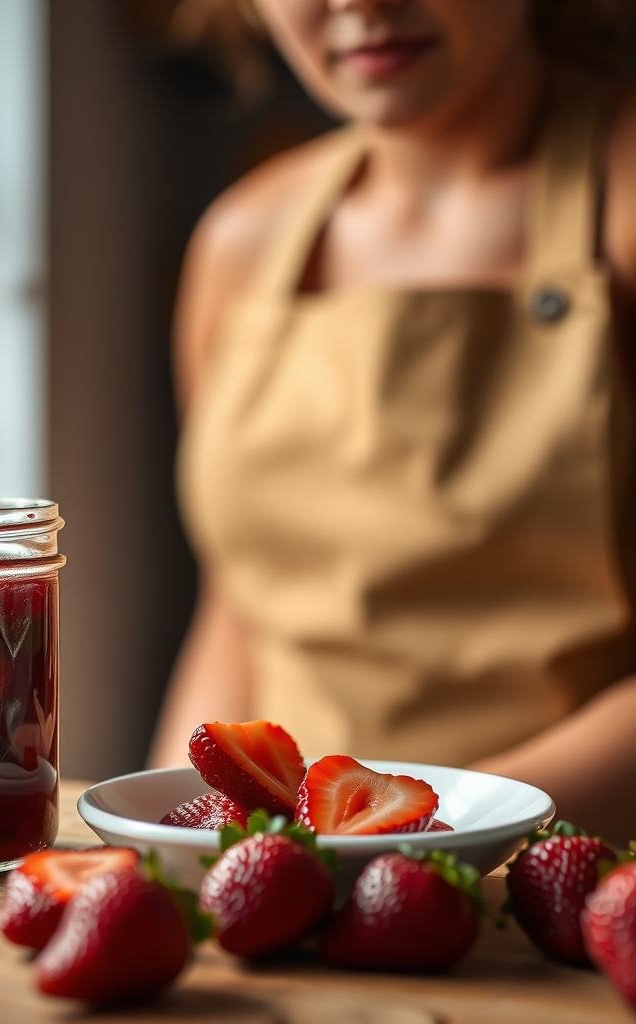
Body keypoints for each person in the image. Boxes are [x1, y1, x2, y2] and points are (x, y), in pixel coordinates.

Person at [148, 0, 636, 843]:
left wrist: (413, 841)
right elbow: (238, 615)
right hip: (293, 876)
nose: (362, 3)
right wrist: (174, 845)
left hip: (564, 872)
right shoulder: (240, 241)